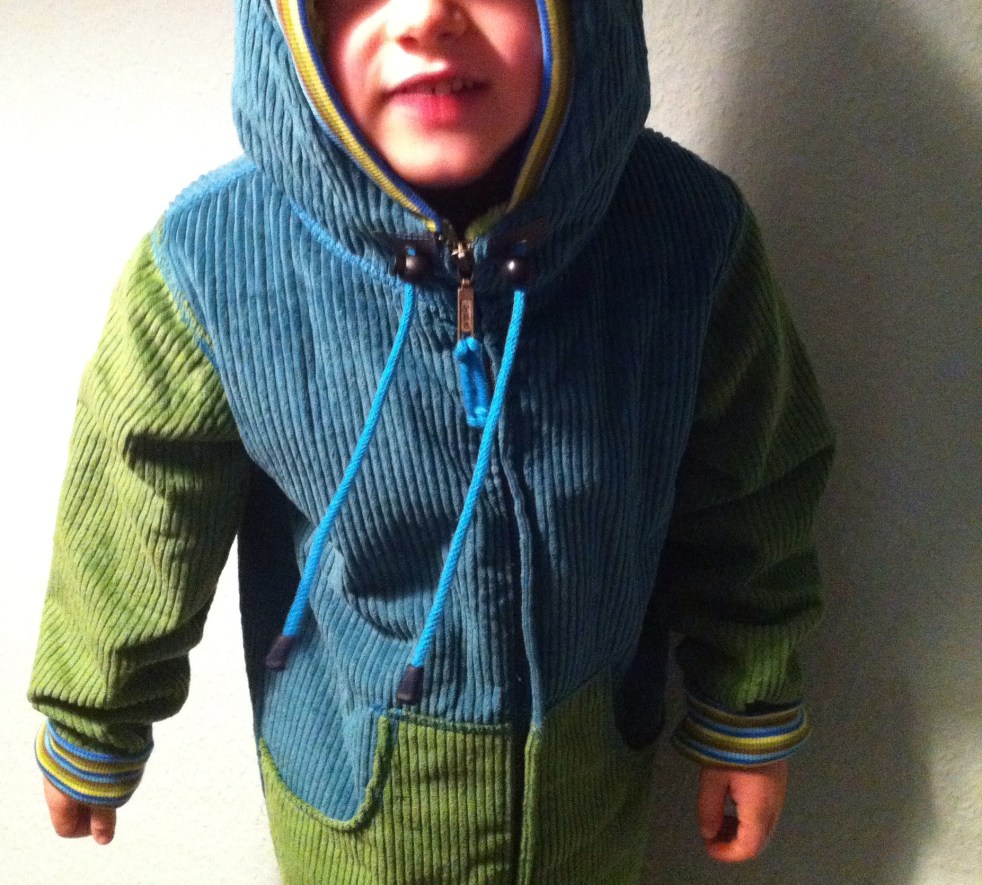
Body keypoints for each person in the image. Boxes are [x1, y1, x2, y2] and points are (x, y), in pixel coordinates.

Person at [29, 0, 835, 881]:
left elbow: (751, 492)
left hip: (588, 791)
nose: (427, 18)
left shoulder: (686, 235)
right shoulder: (213, 261)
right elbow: (140, 503)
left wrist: (747, 706)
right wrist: (94, 717)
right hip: (354, 809)